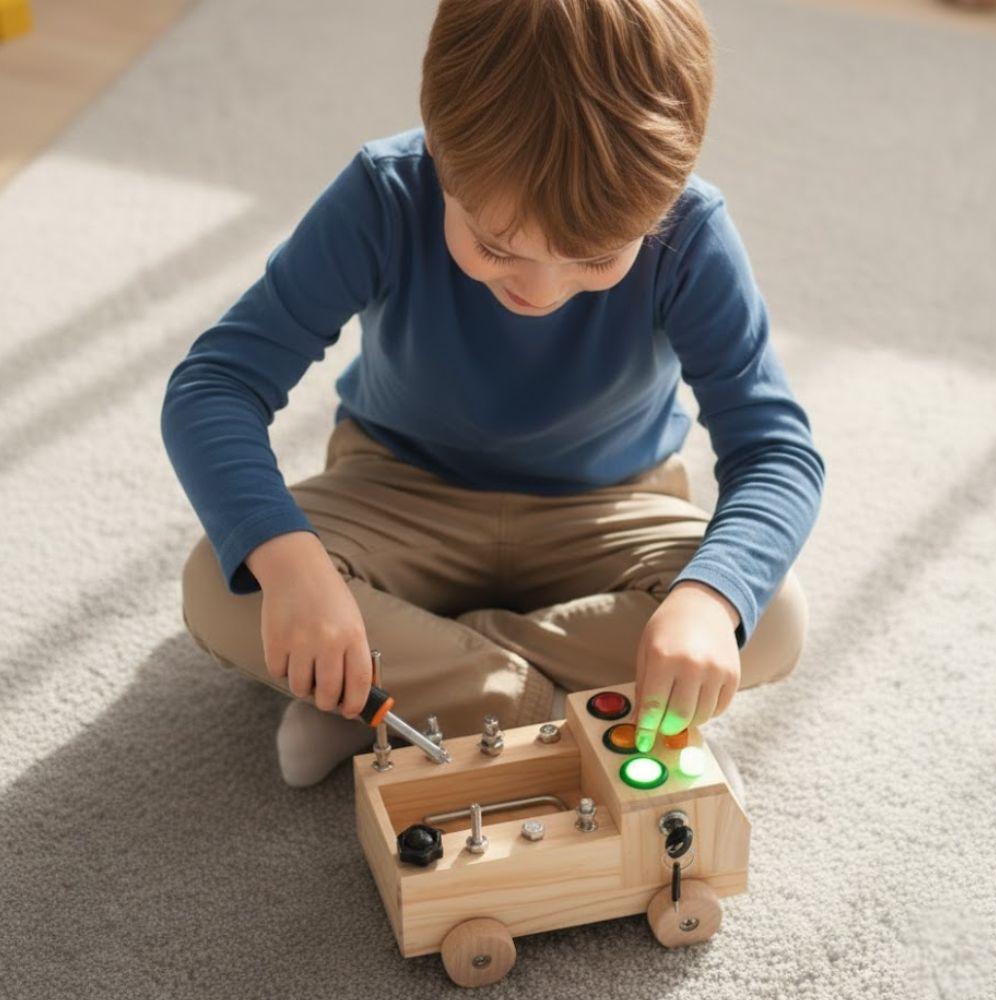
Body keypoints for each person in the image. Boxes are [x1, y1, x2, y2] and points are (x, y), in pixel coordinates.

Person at [162, 0, 825, 788]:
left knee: (770, 614)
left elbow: (776, 449)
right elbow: (216, 384)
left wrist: (710, 600)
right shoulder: (383, 194)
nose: (541, 289)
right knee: (220, 582)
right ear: (441, 151)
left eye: (594, 258)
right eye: (496, 247)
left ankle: (383, 698)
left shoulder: (691, 231)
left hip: (606, 509)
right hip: (399, 491)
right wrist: (299, 572)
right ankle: (573, 715)